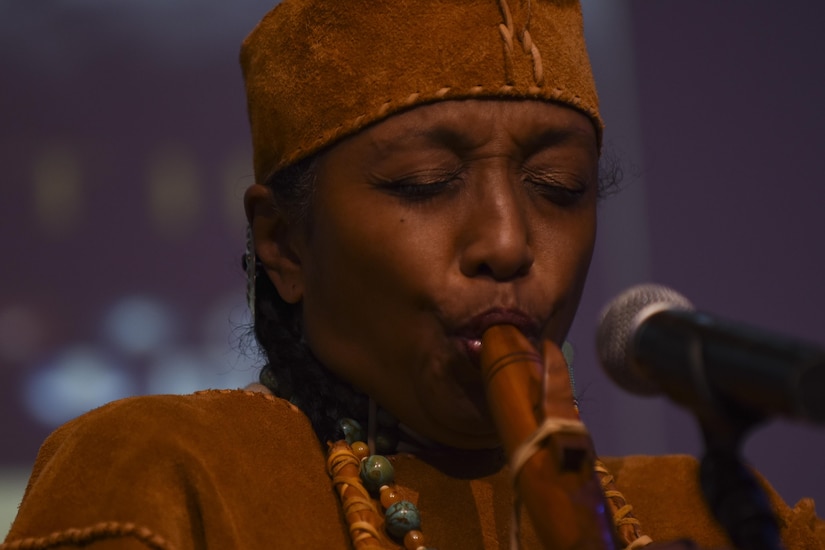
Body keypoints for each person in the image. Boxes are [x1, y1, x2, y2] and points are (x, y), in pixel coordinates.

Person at [3, 1, 824, 549]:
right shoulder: (168, 477)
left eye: (557, 189)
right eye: (424, 183)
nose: (506, 240)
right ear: (284, 243)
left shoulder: (715, 515)